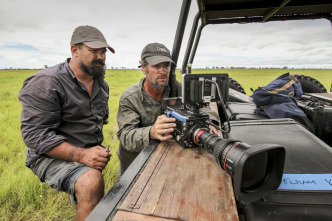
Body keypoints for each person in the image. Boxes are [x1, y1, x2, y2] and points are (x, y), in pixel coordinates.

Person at [18, 25, 114, 221]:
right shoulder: (47, 82)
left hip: (85, 152)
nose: (101, 56)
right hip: (47, 155)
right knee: (90, 182)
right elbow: (35, 136)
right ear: (74, 50)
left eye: (103, 51)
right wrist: (83, 155)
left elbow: (98, 122)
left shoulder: (101, 84)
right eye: (94, 50)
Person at [116, 42, 220, 175]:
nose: (163, 71)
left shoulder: (179, 89)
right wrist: (151, 132)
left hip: (169, 160)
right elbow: (125, 136)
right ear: (144, 67)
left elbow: (203, 108)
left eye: (166, 65)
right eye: (156, 66)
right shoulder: (130, 98)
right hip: (135, 164)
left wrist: (211, 122)